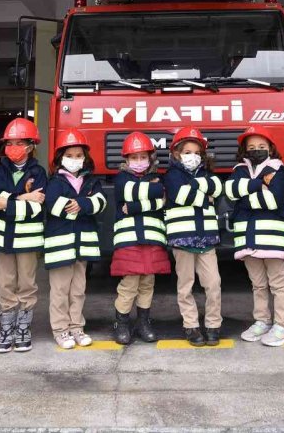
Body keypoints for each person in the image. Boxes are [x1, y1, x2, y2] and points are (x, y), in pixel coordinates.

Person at [225, 126, 284, 347]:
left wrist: (246, 198)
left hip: (271, 236)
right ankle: (262, 321)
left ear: (271, 148)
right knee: (258, 284)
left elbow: (275, 201)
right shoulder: (239, 169)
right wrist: (259, 186)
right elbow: (231, 192)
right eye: (252, 147)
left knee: (278, 283)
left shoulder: (278, 169)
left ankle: (283, 327)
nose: (257, 150)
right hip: (248, 238)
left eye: (262, 146)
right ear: (244, 150)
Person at [42, 128, 107, 349]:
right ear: (60, 158)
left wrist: (82, 203)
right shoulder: (54, 181)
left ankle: (77, 327)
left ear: (85, 158)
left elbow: (101, 203)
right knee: (60, 291)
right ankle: (61, 330)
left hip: (82, 245)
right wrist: (84, 203)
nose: (74, 159)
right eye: (69, 155)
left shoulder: (91, 180)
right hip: (61, 245)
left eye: (79, 155)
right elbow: (54, 205)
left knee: (78, 289)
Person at [0, 118, 47, 353]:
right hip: (3, 238)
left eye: (19, 142)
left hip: (28, 239)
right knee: (5, 283)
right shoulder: (0, 171)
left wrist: (9, 201)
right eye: (10, 143)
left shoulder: (39, 172)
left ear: (31, 146)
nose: (13, 147)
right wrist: (24, 198)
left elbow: (39, 206)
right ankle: (6, 327)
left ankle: (23, 327)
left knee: (27, 284)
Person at [163, 127, 224, 346]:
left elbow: (217, 190)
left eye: (197, 152)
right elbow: (180, 195)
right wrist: (203, 196)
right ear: (177, 154)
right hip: (182, 239)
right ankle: (191, 326)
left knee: (213, 283)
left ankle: (213, 325)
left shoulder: (207, 174)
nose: (193, 156)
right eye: (187, 151)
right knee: (185, 284)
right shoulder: (171, 176)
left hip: (206, 238)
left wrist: (196, 187)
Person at [111, 132, 170, 345]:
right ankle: (122, 324)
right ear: (126, 160)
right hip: (129, 241)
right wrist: (154, 195)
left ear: (150, 159)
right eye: (134, 158)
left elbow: (162, 198)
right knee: (129, 284)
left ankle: (144, 322)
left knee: (147, 283)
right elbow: (130, 191)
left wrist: (136, 206)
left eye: (143, 157)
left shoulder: (157, 179)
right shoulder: (121, 179)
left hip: (152, 239)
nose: (139, 162)